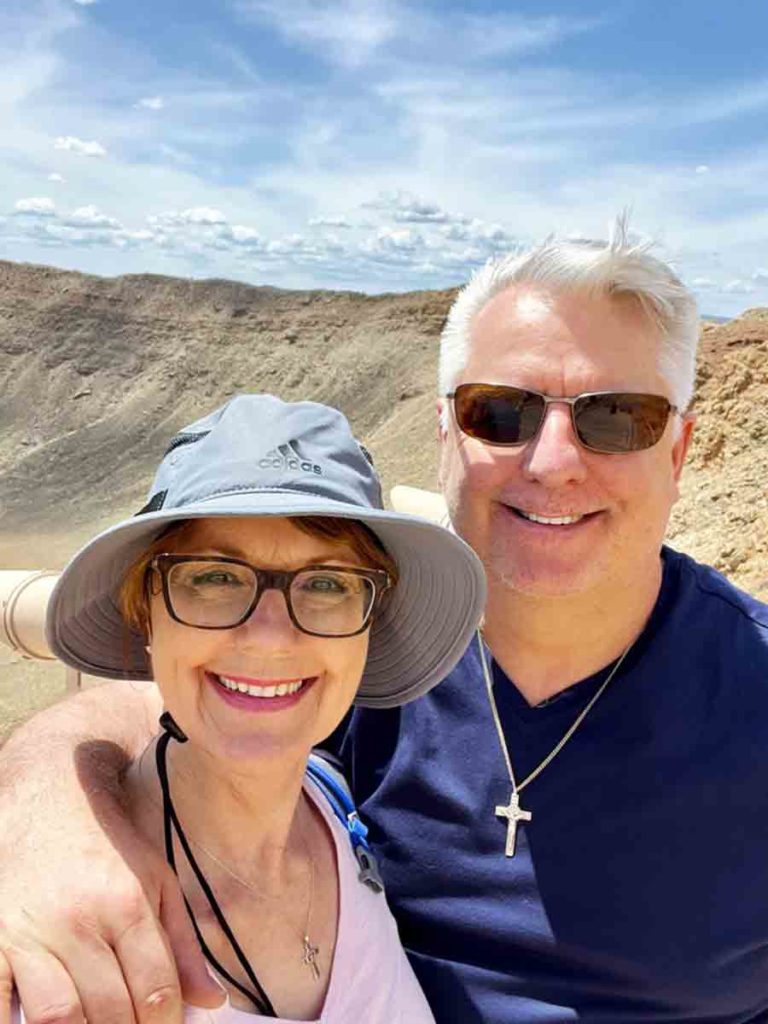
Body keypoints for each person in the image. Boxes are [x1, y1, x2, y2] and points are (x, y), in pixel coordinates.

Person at [2, 220, 768, 1023]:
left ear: (679, 451)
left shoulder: (747, 689)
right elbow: (185, 705)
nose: (551, 461)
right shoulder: (355, 647)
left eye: (617, 418)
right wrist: (44, 811)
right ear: (445, 433)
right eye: (500, 413)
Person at [1, 393, 486, 1024]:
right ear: (145, 612)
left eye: (327, 584)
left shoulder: (335, 807)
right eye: (213, 577)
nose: (270, 637)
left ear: (370, 624)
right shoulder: (62, 950)